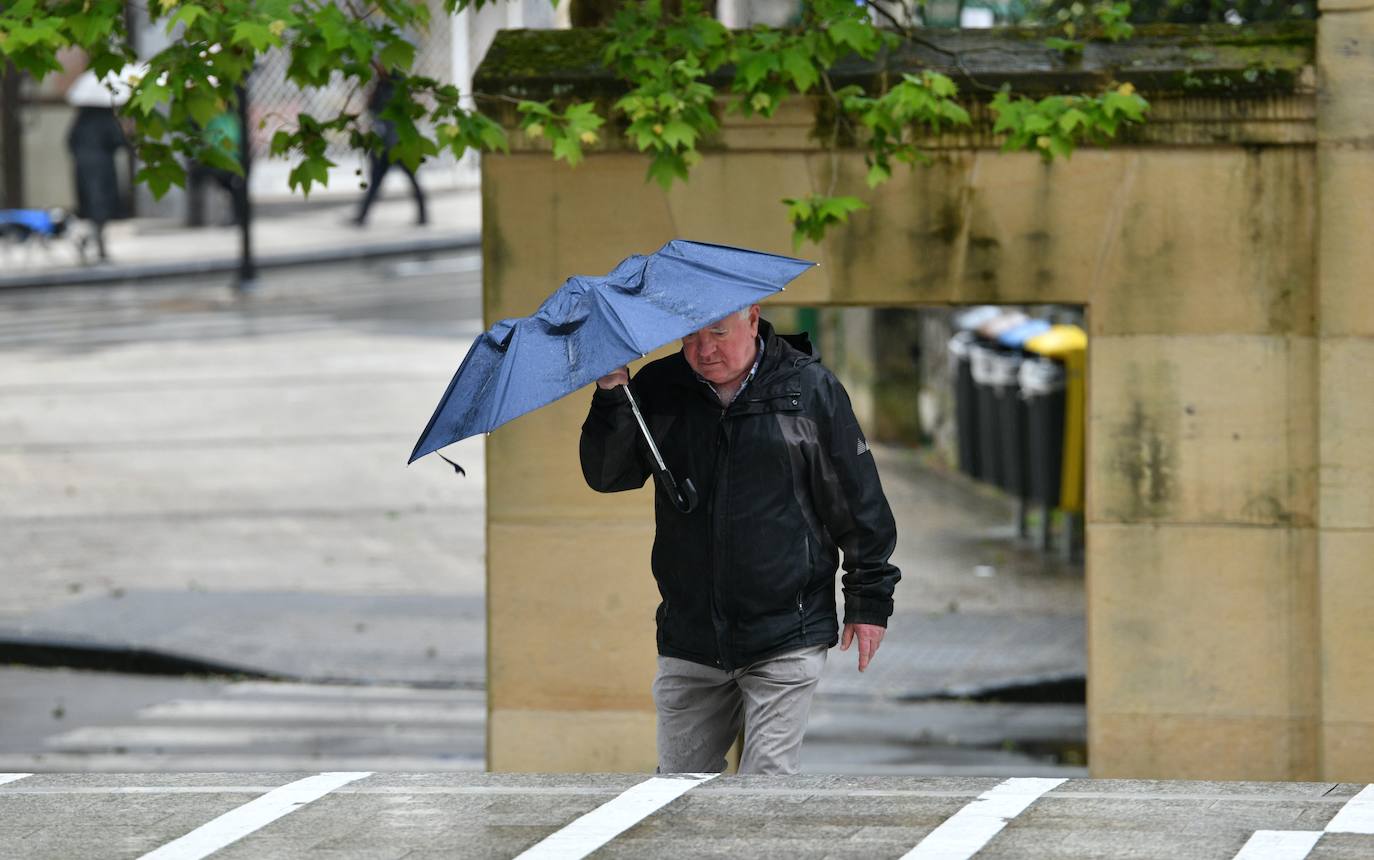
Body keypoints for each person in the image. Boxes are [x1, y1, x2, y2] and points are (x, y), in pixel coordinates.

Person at [579, 304, 900, 775]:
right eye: (690, 336)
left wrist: (868, 601)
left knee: (764, 790)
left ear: (753, 320)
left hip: (787, 629)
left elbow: (858, 503)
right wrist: (612, 395)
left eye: (718, 332)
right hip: (690, 635)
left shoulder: (808, 389)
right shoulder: (660, 387)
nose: (703, 349)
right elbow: (609, 474)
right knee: (676, 792)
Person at [352, 69, 427, 227]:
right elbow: (373, 109)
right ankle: (362, 216)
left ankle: (423, 215)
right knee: (377, 182)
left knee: (409, 179)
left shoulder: (394, 88)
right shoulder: (382, 86)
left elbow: (380, 111)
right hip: (386, 143)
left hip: (396, 144)